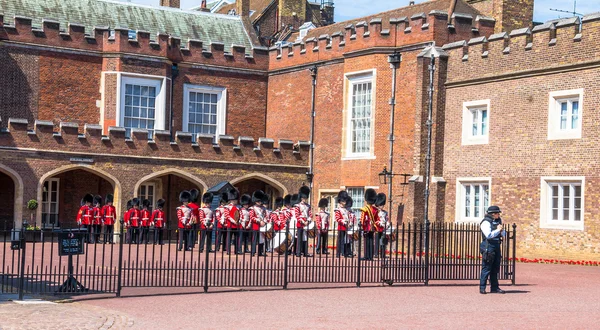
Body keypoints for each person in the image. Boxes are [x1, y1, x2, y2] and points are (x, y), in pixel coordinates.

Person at [480, 205, 506, 294]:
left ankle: (494, 287)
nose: (499, 215)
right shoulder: (486, 222)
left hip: (497, 245)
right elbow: (488, 235)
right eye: (497, 213)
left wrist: (502, 231)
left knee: (495, 268)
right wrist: (498, 231)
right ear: (493, 214)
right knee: (486, 268)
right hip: (488, 246)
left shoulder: (498, 222)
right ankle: (482, 287)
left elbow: (504, 234)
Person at [360, 188, 378, 261]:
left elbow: (362, 219)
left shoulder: (365, 208)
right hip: (372, 227)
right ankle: (371, 256)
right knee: (371, 241)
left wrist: (361, 225)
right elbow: (376, 219)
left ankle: (366, 256)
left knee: (366, 242)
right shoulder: (375, 209)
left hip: (366, 227)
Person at [334, 191, 351, 258]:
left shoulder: (347, 209)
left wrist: (349, 223)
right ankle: (338, 253)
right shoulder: (338, 210)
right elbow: (338, 218)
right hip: (341, 227)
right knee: (340, 240)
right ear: (340, 201)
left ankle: (345, 252)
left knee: (346, 240)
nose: (345, 202)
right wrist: (344, 221)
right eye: (343, 200)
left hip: (347, 227)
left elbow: (349, 217)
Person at [224, 188, 241, 254]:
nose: (236, 201)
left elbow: (241, 215)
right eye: (235, 200)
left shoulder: (238, 207)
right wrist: (233, 221)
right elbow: (227, 215)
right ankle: (228, 250)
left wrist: (239, 221)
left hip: (237, 224)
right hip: (230, 224)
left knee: (237, 238)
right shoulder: (227, 207)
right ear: (231, 200)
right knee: (229, 238)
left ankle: (236, 250)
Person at [249, 191, 266, 256]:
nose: (260, 202)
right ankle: (253, 251)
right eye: (259, 201)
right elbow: (252, 217)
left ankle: (260, 252)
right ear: (256, 201)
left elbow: (265, 216)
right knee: (254, 239)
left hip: (262, 226)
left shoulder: (263, 208)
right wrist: (259, 221)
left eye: (260, 201)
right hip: (255, 225)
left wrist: (264, 221)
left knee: (261, 239)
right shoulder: (252, 208)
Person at [374, 193, 388, 259]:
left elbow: (387, 219)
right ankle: (376, 254)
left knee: (383, 242)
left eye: (383, 204)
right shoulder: (376, 212)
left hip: (383, 229)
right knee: (376, 242)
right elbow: (375, 220)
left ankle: (383, 254)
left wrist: (387, 224)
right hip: (377, 228)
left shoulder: (385, 212)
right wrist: (380, 224)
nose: (382, 206)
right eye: (381, 204)